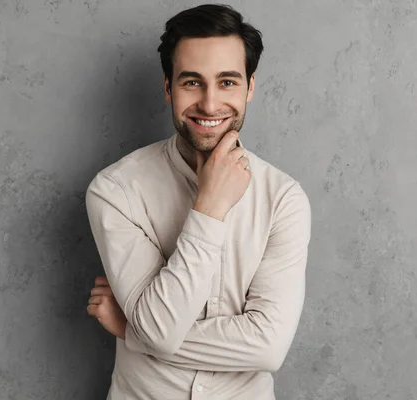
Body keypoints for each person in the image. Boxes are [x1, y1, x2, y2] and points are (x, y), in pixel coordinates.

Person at [85, 4, 312, 399]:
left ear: (250, 88)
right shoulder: (115, 191)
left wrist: (131, 331)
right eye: (192, 82)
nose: (209, 104)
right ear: (168, 88)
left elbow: (268, 347)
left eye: (227, 82)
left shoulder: (283, 199)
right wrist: (210, 206)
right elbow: (159, 330)